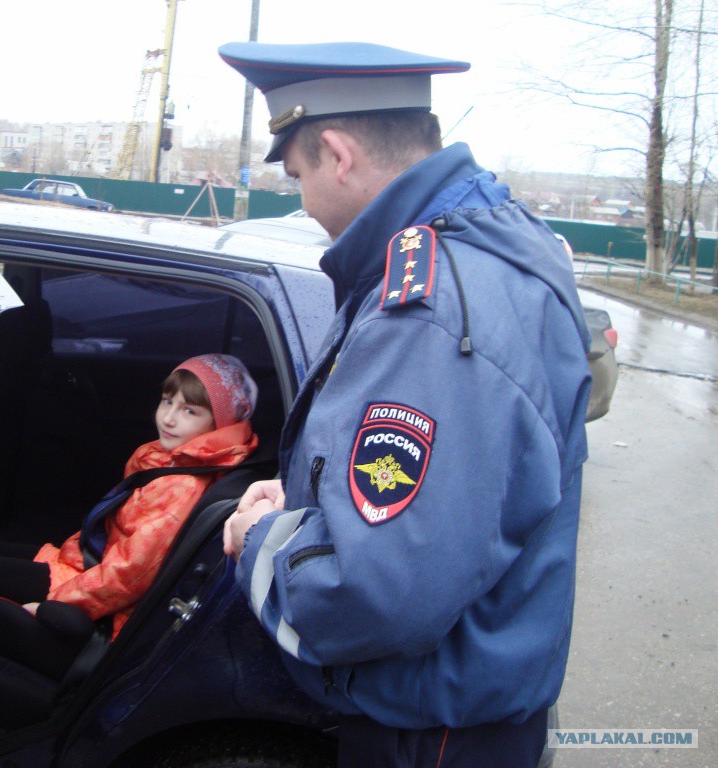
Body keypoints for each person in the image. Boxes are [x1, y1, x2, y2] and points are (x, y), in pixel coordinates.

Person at [219, 42, 592, 768]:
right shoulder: (493, 244)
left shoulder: (427, 313)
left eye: (297, 174)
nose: (300, 198)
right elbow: (452, 499)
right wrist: (301, 497)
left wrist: (263, 536)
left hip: (429, 737)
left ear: (338, 152)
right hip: (471, 712)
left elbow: (376, 592)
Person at [0, 354, 259, 679]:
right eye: (167, 401)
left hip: (94, 593)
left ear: (217, 423)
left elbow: (129, 576)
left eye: (189, 411)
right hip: (84, 564)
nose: (169, 418)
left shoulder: (182, 486)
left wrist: (53, 599)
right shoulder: (172, 460)